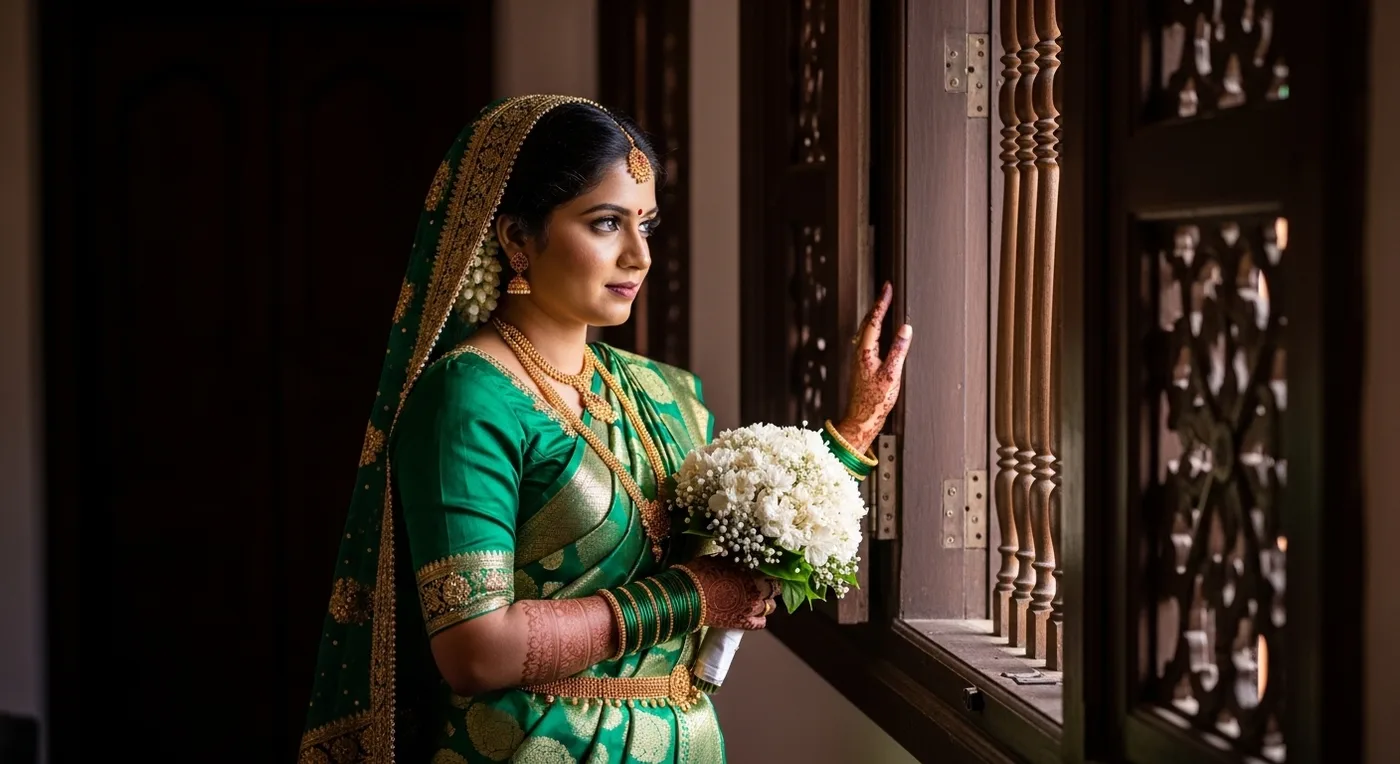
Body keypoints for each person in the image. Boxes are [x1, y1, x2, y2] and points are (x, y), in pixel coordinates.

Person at [298, 94, 913, 763]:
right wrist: (693, 596)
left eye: (645, 225)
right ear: (516, 239)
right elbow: (476, 651)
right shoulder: (469, 396)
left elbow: (744, 550)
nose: (638, 256)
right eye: (604, 224)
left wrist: (853, 434)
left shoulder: (660, 393)